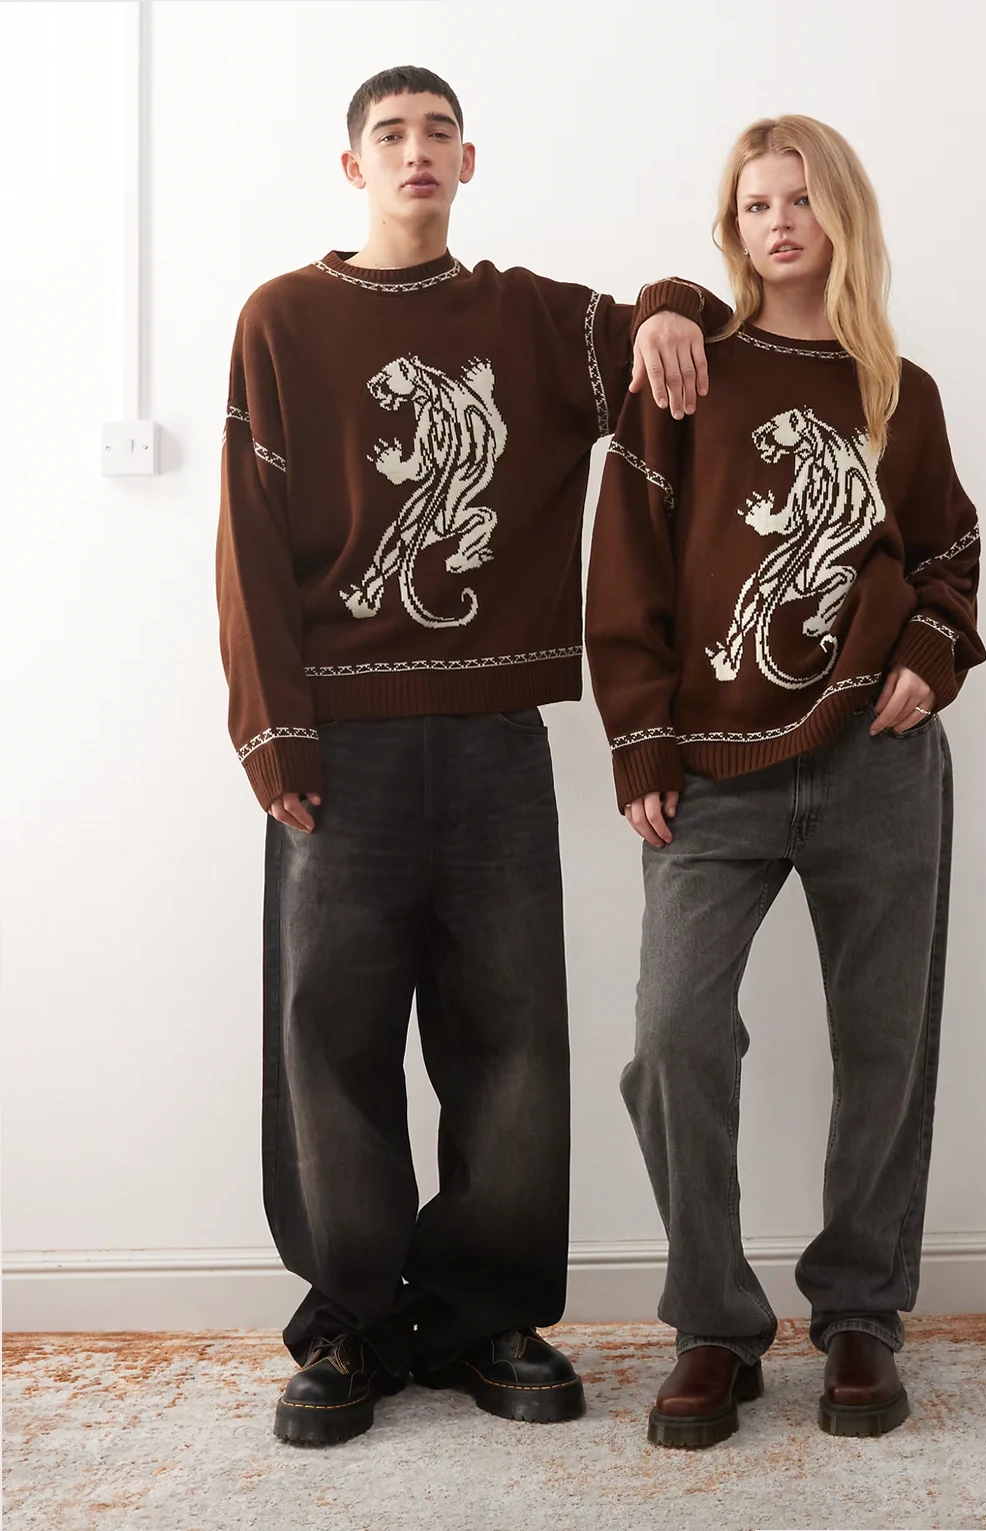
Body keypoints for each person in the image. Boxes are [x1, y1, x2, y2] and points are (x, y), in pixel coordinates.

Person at [216, 64, 719, 1447]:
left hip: (497, 737)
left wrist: (674, 300)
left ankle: (489, 1315)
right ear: (354, 167)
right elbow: (248, 535)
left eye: (438, 130)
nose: (416, 150)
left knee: (510, 1036)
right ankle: (350, 1319)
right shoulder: (283, 318)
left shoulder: (533, 319)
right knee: (331, 1036)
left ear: (470, 159)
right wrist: (272, 728)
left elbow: (679, 338)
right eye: (390, 134)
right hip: (339, 743)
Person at [585, 114, 985, 1446]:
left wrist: (932, 649)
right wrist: (640, 741)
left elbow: (948, 552)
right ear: (733, 226)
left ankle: (862, 1311)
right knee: (673, 1035)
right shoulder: (685, 370)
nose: (778, 223)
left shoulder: (899, 393)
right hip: (713, 771)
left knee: (885, 1040)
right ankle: (713, 1325)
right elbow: (627, 566)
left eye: (801, 200)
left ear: (842, 217)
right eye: (756, 204)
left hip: (878, 761)